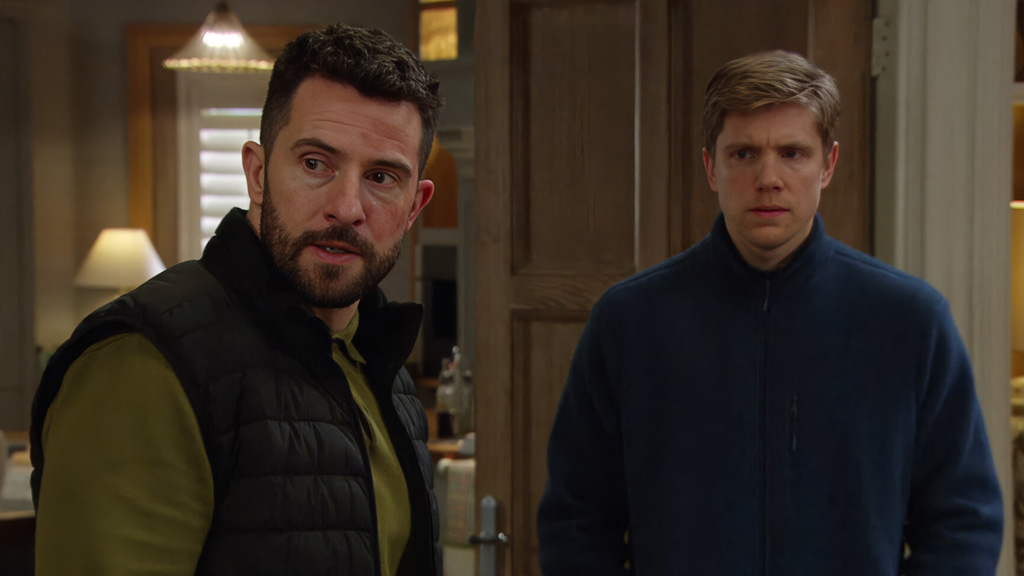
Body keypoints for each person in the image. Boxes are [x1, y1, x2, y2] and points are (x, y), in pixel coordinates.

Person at [537, 50, 1003, 574]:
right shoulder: (630, 322)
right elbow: (575, 522)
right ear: (711, 167)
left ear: (828, 165)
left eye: (792, 153)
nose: (768, 177)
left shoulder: (910, 322)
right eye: (744, 154)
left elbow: (964, 522)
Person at [30, 23, 444, 576]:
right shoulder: (146, 362)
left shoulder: (381, 367)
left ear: (414, 207)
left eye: (382, 177)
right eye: (315, 163)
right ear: (257, 174)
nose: (347, 207)